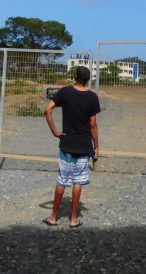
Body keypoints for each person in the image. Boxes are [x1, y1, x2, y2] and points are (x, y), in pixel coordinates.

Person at [42, 65, 100, 228]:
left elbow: (47, 110)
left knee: (62, 180)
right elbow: (93, 124)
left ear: (75, 77)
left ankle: (53, 217)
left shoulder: (65, 92)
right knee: (78, 182)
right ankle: (73, 219)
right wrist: (96, 146)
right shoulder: (92, 97)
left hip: (67, 144)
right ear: (88, 80)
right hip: (84, 145)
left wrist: (55, 131)